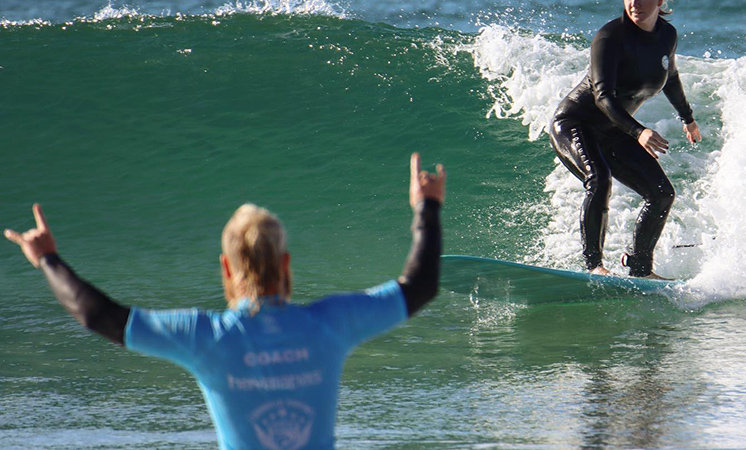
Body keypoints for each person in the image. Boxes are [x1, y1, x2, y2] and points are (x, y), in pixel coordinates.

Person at [4, 153, 445, 450]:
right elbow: (419, 285)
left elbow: (97, 315)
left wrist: (46, 259)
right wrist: (426, 206)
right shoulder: (331, 323)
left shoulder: (206, 338)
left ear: (227, 269)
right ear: (286, 264)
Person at [548, 0, 702, 279]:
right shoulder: (609, 38)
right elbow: (602, 96)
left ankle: (640, 268)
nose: (634, 3)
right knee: (599, 177)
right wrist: (639, 132)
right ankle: (594, 266)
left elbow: (670, 77)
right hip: (576, 123)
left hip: (613, 130)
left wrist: (687, 118)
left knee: (661, 193)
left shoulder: (667, 35)